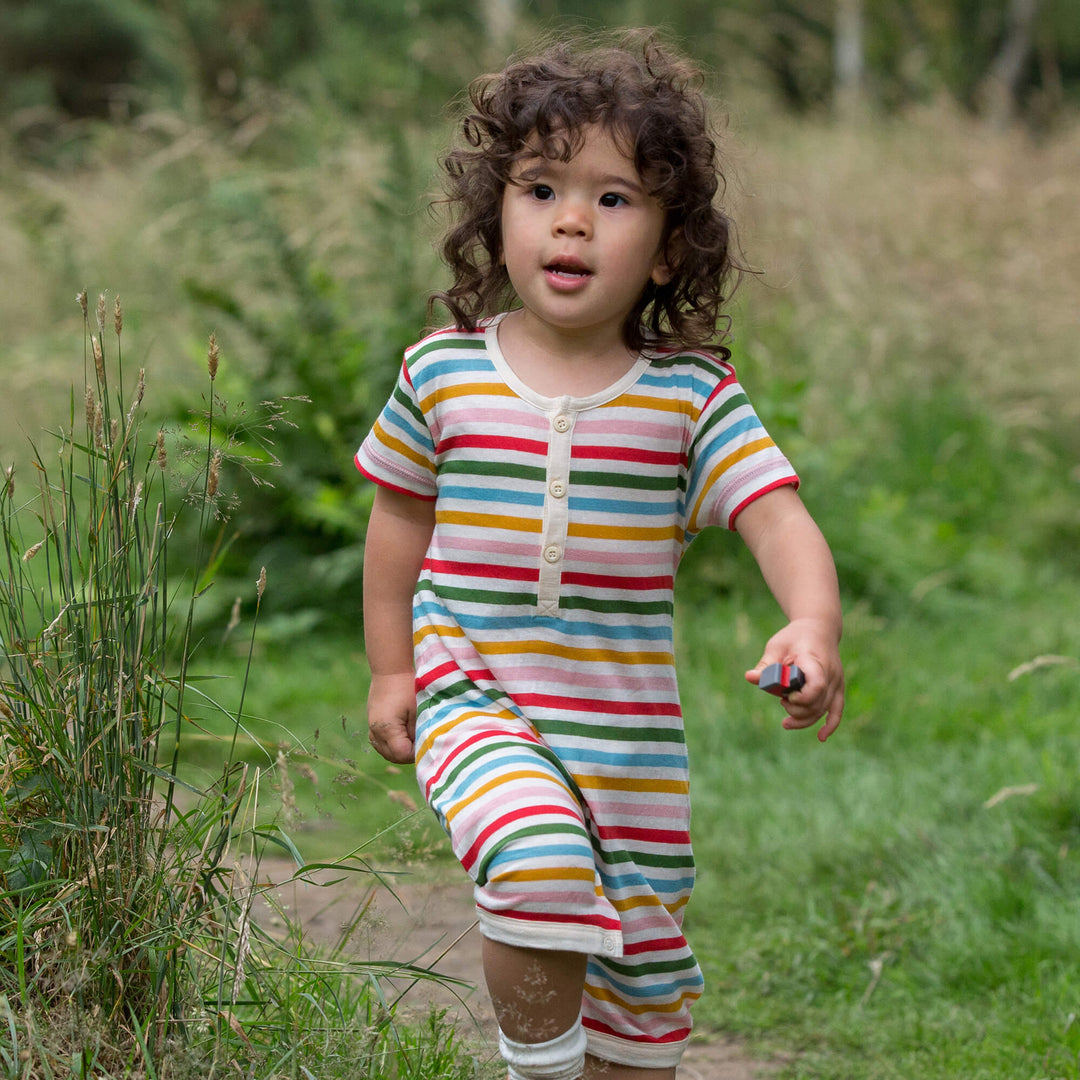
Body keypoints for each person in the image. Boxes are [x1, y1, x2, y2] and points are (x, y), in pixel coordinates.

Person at [357, 30, 844, 1080]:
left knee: (642, 1003)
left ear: (669, 249)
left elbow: (779, 518)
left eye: (615, 198)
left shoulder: (691, 399)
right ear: (499, 214)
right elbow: (398, 520)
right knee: (534, 864)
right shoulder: (443, 376)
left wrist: (811, 620)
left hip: (629, 743)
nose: (572, 218)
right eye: (540, 188)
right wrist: (394, 668)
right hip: (472, 685)